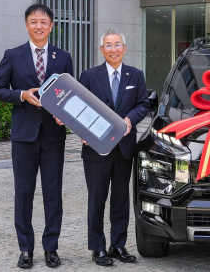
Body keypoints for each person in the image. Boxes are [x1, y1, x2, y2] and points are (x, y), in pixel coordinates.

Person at [0, 4, 73, 269]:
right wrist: (22, 95)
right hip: (24, 136)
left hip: (53, 136)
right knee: (24, 194)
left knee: (53, 194)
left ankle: (51, 248)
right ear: (26, 25)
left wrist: (66, 115)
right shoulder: (13, 55)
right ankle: (25, 248)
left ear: (51, 25)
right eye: (34, 21)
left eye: (44, 21)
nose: (39, 26)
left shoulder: (63, 57)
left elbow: (69, 94)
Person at [62, 28, 148, 266]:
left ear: (124, 48)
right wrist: (82, 131)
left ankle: (118, 245)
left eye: (117, 45)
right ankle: (98, 248)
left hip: (124, 147)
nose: (113, 49)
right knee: (97, 198)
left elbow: (143, 105)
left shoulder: (136, 75)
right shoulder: (89, 76)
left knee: (121, 199)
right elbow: (77, 106)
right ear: (101, 50)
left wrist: (130, 119)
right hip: (95, 148)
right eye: (108, 45)